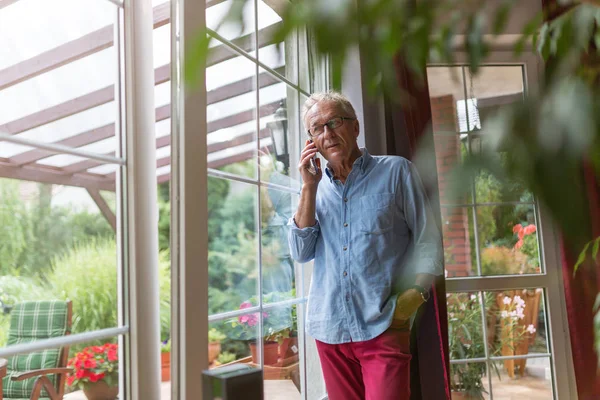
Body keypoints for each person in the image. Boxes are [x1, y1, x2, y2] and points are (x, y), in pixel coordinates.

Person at [287, 91, 443, 400]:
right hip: (329, 329)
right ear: (311, 141)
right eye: (317, 128)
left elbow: (429, 242)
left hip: (382, 324)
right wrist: (308, 187)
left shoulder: (397, 172)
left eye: (335, 122)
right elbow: (301, 252)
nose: (327, 133)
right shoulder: (314, 188)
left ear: (355, 127)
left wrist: (414, 297)